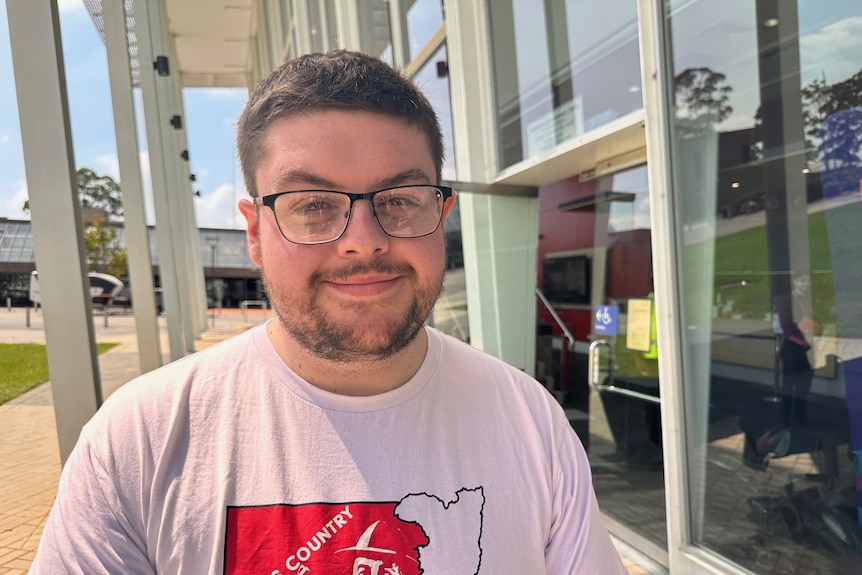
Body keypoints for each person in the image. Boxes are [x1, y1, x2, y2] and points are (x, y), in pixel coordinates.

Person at [30, 50, 627, 574]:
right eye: (313, 204)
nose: (363, 240)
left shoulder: (530, 422)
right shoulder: (143, 438)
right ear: (255, 232)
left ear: (440, 215)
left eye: (399, 199)